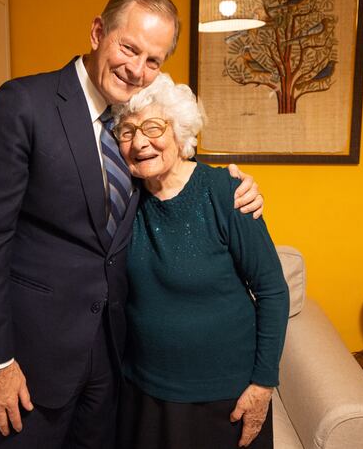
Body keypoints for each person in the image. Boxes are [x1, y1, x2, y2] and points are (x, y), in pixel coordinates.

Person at [0, 0, 264, 449]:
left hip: (112, 361)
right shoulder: (25, 105)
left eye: (154, 60)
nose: (137, 69)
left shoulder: (134, 122)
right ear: (98, 31)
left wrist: (236, 188)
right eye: (129, 48)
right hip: (30, 363)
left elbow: (175, 177)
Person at [113, 73, 289, 449]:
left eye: (152, 127)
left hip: (225, 397)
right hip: (144, 392)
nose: (139, 142)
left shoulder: (226, 193)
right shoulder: (121, 201)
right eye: (126, 132)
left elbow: (273, 291)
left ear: (180, 133)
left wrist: (263, 385)